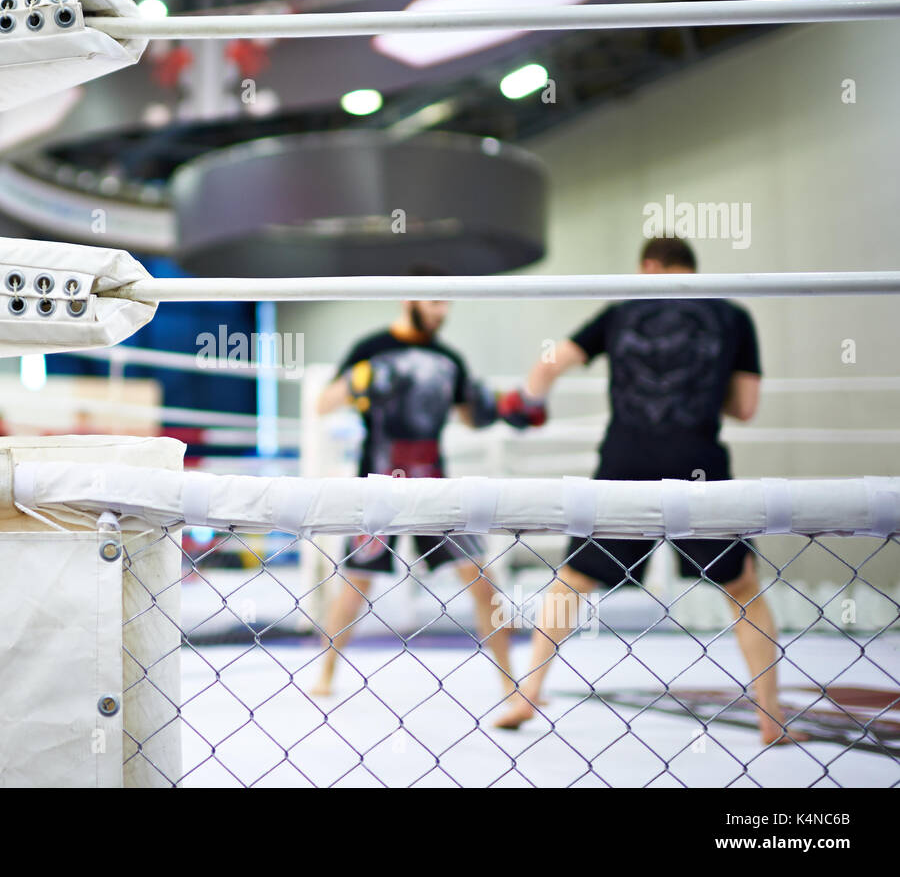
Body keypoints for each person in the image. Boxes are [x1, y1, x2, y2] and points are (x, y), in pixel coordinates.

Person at [493, 236, 806, 745]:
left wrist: (529, 403)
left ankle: (527, 694)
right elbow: (746, 407)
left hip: (626, 464)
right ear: (692, 270)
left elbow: (549, 364)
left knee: (572, 580)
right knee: (743, 588)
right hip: (697, 465)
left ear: (648, 266)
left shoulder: (621, 310)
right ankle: (771, 718)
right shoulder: (732, 315)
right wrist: (701, 390)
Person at [309, 272, 518, 709]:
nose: (442, 312)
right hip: (379, 485)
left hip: (433, 487)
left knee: (482, 581)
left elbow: (470, 417)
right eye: (435, 302)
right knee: (355, 583)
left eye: (447, 304)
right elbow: (323, 404)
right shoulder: (371, 349)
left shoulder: (450, 359)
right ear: (409, 298)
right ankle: (325, 673)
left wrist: (505, 409)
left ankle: (510, 684)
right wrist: (358, 382)